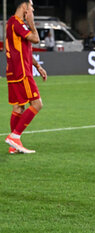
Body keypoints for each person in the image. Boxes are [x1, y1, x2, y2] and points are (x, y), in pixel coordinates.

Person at [5, 0, 47, 154]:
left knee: (18, 107)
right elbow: (36, 39)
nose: (33, 9)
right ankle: (15, 137)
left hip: (14, 71)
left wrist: (37, 66)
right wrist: (32, 22)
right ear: (24, 7)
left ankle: (13, 145)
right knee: (37, 104)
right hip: (22, 72)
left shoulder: (12, 23)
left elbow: (25, 50)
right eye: (31, 6)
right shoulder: (17, 23)